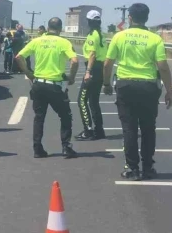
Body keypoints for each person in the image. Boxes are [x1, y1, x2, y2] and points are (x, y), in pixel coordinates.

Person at [103, 3, 172, 181]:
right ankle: (148, 167)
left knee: (129, 129)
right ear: (147, 18)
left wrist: (106, 84)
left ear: (130, 18)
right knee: (149, 128)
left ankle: (132, 168)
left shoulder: (119, 36)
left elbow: (107, 63)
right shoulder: (155, 38)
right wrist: (169, 91)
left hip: (125, 85)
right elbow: (163, 67)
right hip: (148, 87)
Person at [15, 17, 79, 159]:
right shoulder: (64, 42)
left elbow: (19, 57)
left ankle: (37, 148)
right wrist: (72, 77)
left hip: (38, 84)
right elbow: (74, 61)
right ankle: (66, 147)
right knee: (65, 116)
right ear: (60, 28)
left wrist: (29, 73)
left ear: (48, 27)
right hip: (55, 85)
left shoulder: (37, 41)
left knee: (39, 117)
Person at [76, 11, 108, 141]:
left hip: (93, 70)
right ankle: (99, 130)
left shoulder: (92, 36)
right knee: (94, 102)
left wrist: (88, 71)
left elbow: (92, 55)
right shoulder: (102, 35)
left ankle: (88, 130)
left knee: (81, 100)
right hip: (100, 70)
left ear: (89, 21)